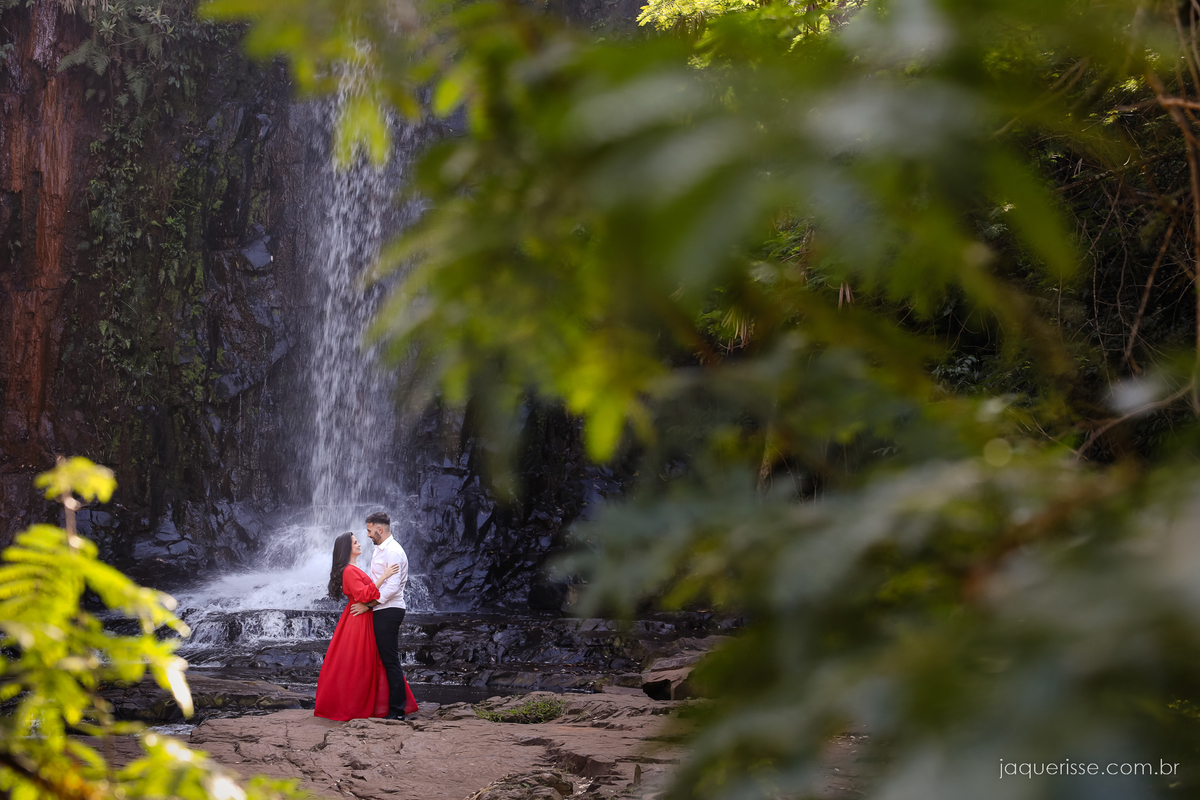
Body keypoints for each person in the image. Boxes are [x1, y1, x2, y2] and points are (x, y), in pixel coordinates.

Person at [313, 531, 398, 720]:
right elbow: (364, 595)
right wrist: (384, 576)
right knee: (359, 663)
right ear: (347, 549)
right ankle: (354, 707)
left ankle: (366, 705)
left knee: (360, 663)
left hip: (360, 616)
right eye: (355, 542)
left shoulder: (353, 569)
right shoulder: (350, 571)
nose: (359, 544)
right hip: (358, 620)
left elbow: (364, 595)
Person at [350, 511, 413, 720]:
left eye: (369, 531)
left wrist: (368, 605)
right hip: (383, 609)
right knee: (385, 660)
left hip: (389, 610)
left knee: (390, 660)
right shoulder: (382, 549)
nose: (368, 535)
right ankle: (385, 706)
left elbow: (392, 588)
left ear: (379, 529)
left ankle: (397, 711)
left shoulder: (392, 551)